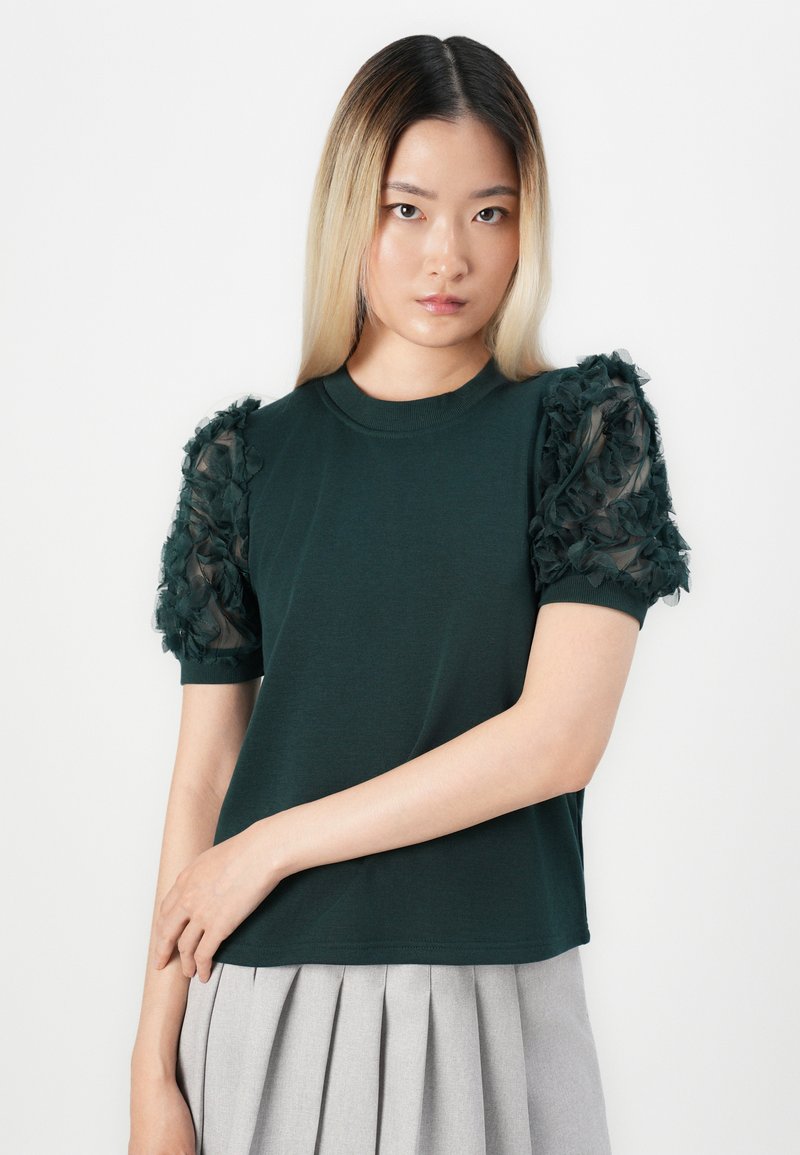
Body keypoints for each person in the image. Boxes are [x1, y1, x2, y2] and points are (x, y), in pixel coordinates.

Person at [128, 33, 691, 1155]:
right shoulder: (248, 462)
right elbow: (204, 774)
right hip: (265, 1003)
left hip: (493, 997)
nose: (449, 255)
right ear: (352, 213)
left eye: (489, 212)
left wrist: (271, 845)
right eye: (407, 210)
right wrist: (152, 1066)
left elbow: (555, 741)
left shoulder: (581, 434)